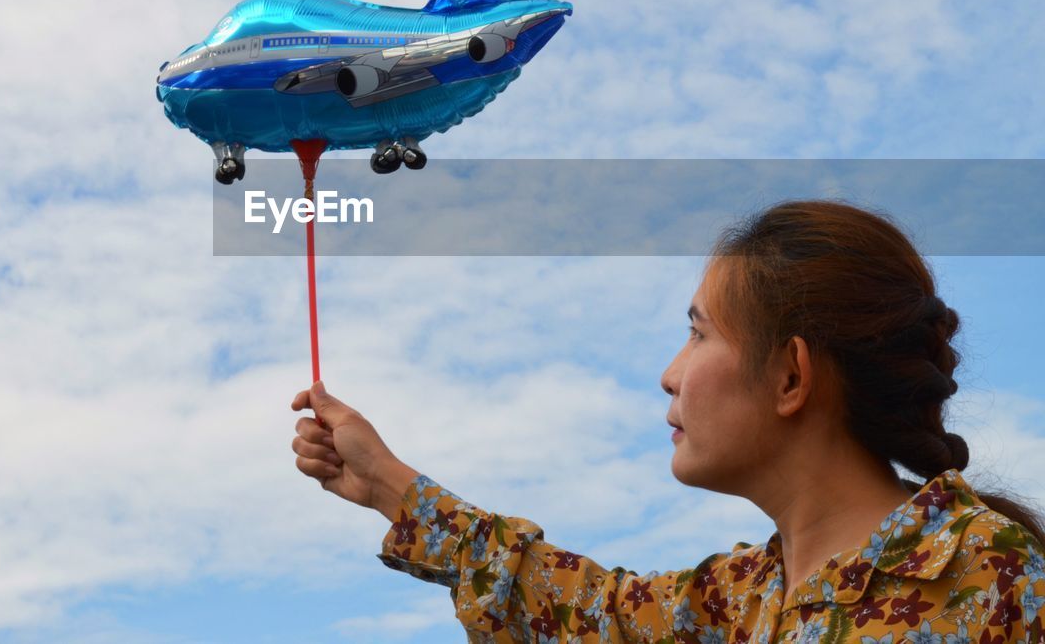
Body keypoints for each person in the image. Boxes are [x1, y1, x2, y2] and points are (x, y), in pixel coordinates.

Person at [290, 199, 1045, 643]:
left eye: (700, 332)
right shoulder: (738, 599)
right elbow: (574, 609)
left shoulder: (993, 576)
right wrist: (385, 481)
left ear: (791, 375)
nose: (670, 373)